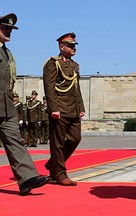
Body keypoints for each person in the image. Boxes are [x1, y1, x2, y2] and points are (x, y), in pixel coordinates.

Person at [0, 13, 48, 195]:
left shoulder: (7, 52)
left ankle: (26, 178)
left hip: (6, 106)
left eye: (11, 29)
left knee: (15, 141)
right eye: (5, 28)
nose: (9, 32)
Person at [43, 32, 85, 186]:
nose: (74, 48)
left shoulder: (74, 65)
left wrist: (81, 107)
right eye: (70, 45)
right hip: (60, 109)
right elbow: (49, 87)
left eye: (74, 45)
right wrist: (53, 108)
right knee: (58, 143)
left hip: (73, 109)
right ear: (61, 46)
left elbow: (76, 88)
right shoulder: (53, 63)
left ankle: (53, 164)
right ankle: (59, 174)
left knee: (75, 138)